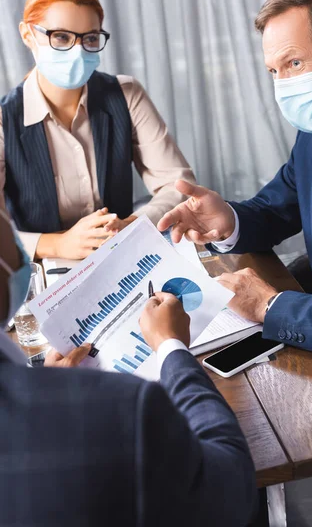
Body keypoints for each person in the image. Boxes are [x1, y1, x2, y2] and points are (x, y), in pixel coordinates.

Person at [158, 0, 312, 514]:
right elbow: (279, 205)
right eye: (274, 72)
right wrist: (230, 220)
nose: (284, 85)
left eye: (293, 64)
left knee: (240, 460)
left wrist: (268, 305)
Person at [0, 207, 257, 526]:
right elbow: (231, 491)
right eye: (4, 220)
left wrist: (52, 385)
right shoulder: (129, 407)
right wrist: (171, 346)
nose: (13, 228)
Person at [0, 0, 195, 261]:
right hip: (42, 271)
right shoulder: (5, 120)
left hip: (120, 259)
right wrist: (56, 245)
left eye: (90, 38)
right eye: (61, 37)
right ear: (28, 35)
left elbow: (178, 186)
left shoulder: (126, 94)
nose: (78, 51)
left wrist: (132, 226)